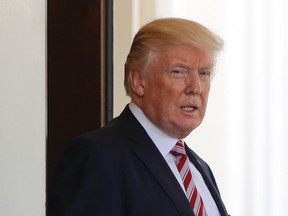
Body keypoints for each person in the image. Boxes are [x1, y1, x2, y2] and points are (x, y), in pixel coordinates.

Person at [48, 17, 229, 216]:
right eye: (179, 72)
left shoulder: (199, 168)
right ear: (139, 82)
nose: (195, 87)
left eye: (204, 74)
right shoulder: (97, 157)